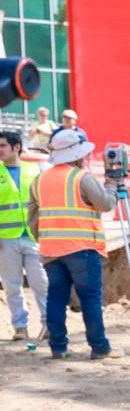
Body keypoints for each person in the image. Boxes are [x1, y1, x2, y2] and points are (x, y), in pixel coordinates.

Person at [27, 127, 120, 361]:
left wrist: (45, 238)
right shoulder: (81, 178)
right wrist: (111, 186)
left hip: (50, 251)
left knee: (56, 298)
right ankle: (99, 347)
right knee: (90, 298)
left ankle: (58, 348)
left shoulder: (39, 180)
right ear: (77, 155)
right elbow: (106, 204)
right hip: (82, 249)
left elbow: (32, 218)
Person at [0, 131, 48, 342]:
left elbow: (43, 204)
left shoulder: (34, 171)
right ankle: (20, 328)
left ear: (16, 147)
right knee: (12, 286)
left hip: (32, 236)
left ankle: (49, 324)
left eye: (2, 146)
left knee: (41, 283)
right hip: (5, 239)